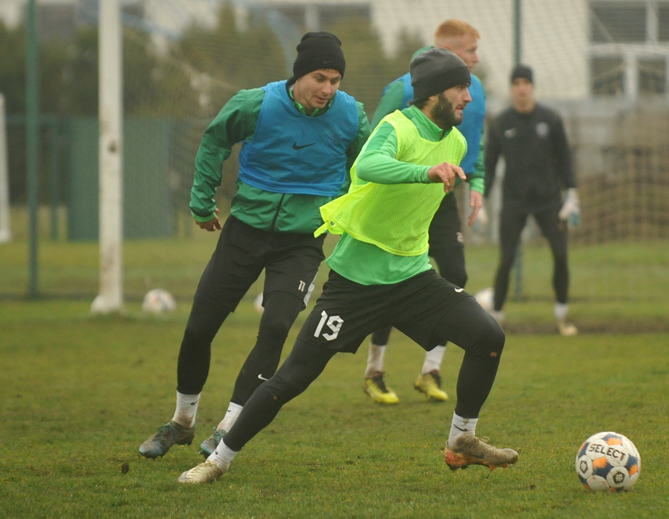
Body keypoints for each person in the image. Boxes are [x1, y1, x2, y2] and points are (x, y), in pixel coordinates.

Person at [177, 48, 519, 483]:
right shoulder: (395, 126)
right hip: (355, 285)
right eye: (460, 87)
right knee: (292, 378)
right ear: (434, 93)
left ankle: (461, 440)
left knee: (488, 337)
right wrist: (424, 172)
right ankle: (218, 460)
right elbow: (368, 164)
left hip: (413, 279)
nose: (468, 97)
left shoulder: (456, 142)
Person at [138, 32, 371, 460]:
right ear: (299, 76)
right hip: (244, 232)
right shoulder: (256, 104)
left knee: (276, 326)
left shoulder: (352, 116)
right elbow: (214, 140)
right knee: (198, 329)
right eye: (320, 78)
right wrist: (202, 200)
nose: (328, 89)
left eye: (335, 80)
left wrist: (352, 216)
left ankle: (228, 427)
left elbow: (366, 168)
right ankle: (182, 422)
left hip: (303, 242)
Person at [362, 19, 487, 405]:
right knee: (389, 281)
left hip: (441, 194)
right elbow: (372, 144)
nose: (476, 59)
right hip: (400, 198)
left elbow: (475, 142)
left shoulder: (476, 91)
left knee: (456, 274)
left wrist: (477, 183)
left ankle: (430, 369)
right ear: (448, 53)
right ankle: (374, 371)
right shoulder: (402, 89)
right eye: (470, 51)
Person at [484, 64, 579, 336]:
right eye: (516, 83)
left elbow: (565, 159)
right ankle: (497, 317)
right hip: (514, 201)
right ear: (511, 88)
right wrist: (481, 201)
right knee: (506, 258)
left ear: (533, 87)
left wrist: (572, 193)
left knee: (560, 255)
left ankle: (562, 316)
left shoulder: (551, 120)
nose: (521, 88)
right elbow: (489, 165)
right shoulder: (501, 123)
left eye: (526, 83)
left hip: (549, 201)